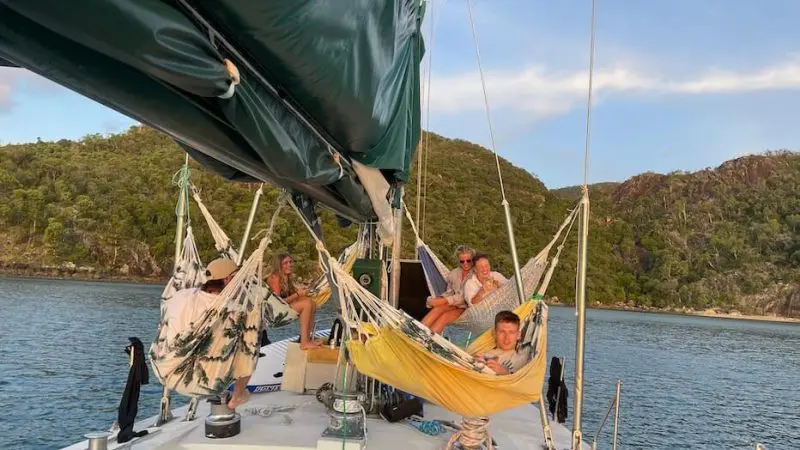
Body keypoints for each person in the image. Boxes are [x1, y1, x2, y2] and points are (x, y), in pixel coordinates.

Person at [162, 257, 253, 410]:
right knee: (251, 333)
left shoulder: (181, 295)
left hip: (168, 371)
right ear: (228, 279)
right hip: (203, 381)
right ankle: (238, 396)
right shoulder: (230, 310)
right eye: (238, 278)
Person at [266, 252, 321, 350]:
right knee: (307, 304)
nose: (289, 265)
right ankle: (304, 343)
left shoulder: (285, 278)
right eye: (285, 263)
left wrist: (304, 292)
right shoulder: (275, 278)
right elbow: (278, 302)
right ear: (279, 265)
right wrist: (298, 294)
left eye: (290, 262)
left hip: (282, 309)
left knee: (311, 302)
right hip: (275, 314)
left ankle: (307, 338)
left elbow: (292, 296)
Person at [421, 245, 475, 333]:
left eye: (468, 260)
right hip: (454, 305)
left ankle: (429, 339)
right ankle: (417, 331)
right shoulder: (453, 274)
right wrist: (437, 300)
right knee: (437, 309)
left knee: (445, 316)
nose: (465, 263)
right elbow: (449, 292)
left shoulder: (476, 274)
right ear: (459, 261)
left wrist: (443, 301)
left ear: (473, 259)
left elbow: (464, 297)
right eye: (462, 261)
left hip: (468, 309)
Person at [473, 310, 528, 375]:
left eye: (511, 332)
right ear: (494, 333)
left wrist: (505, 373)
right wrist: (472, 363)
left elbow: (525, 382)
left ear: (518, 335)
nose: (506, 337)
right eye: (502, 332)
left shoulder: (523, 360)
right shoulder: (481, 352)